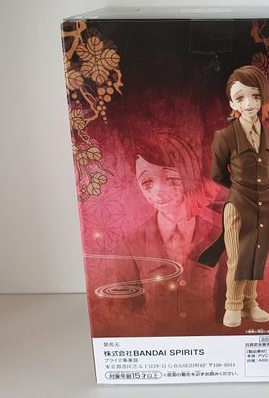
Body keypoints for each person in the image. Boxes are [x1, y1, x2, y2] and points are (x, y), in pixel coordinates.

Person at [95, 131, 224, 335]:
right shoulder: (130, 243)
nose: (158, 192)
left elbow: (229, 302)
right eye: (147, 182)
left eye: (171, 178)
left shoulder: (220, 235)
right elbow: (126, 308)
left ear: (191, 175)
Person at [198, 65, 269, 327]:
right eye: (240, 97)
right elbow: (217, 173)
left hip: (266, 206)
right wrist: (239, 189)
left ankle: (250, 303)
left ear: (263, 97)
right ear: (232, 103)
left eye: (255, 96)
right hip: (238, 205)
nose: (249, 103)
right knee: (238, 257)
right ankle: (232, 304)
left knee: (257, 256)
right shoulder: (224, 136)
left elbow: (268, 170)